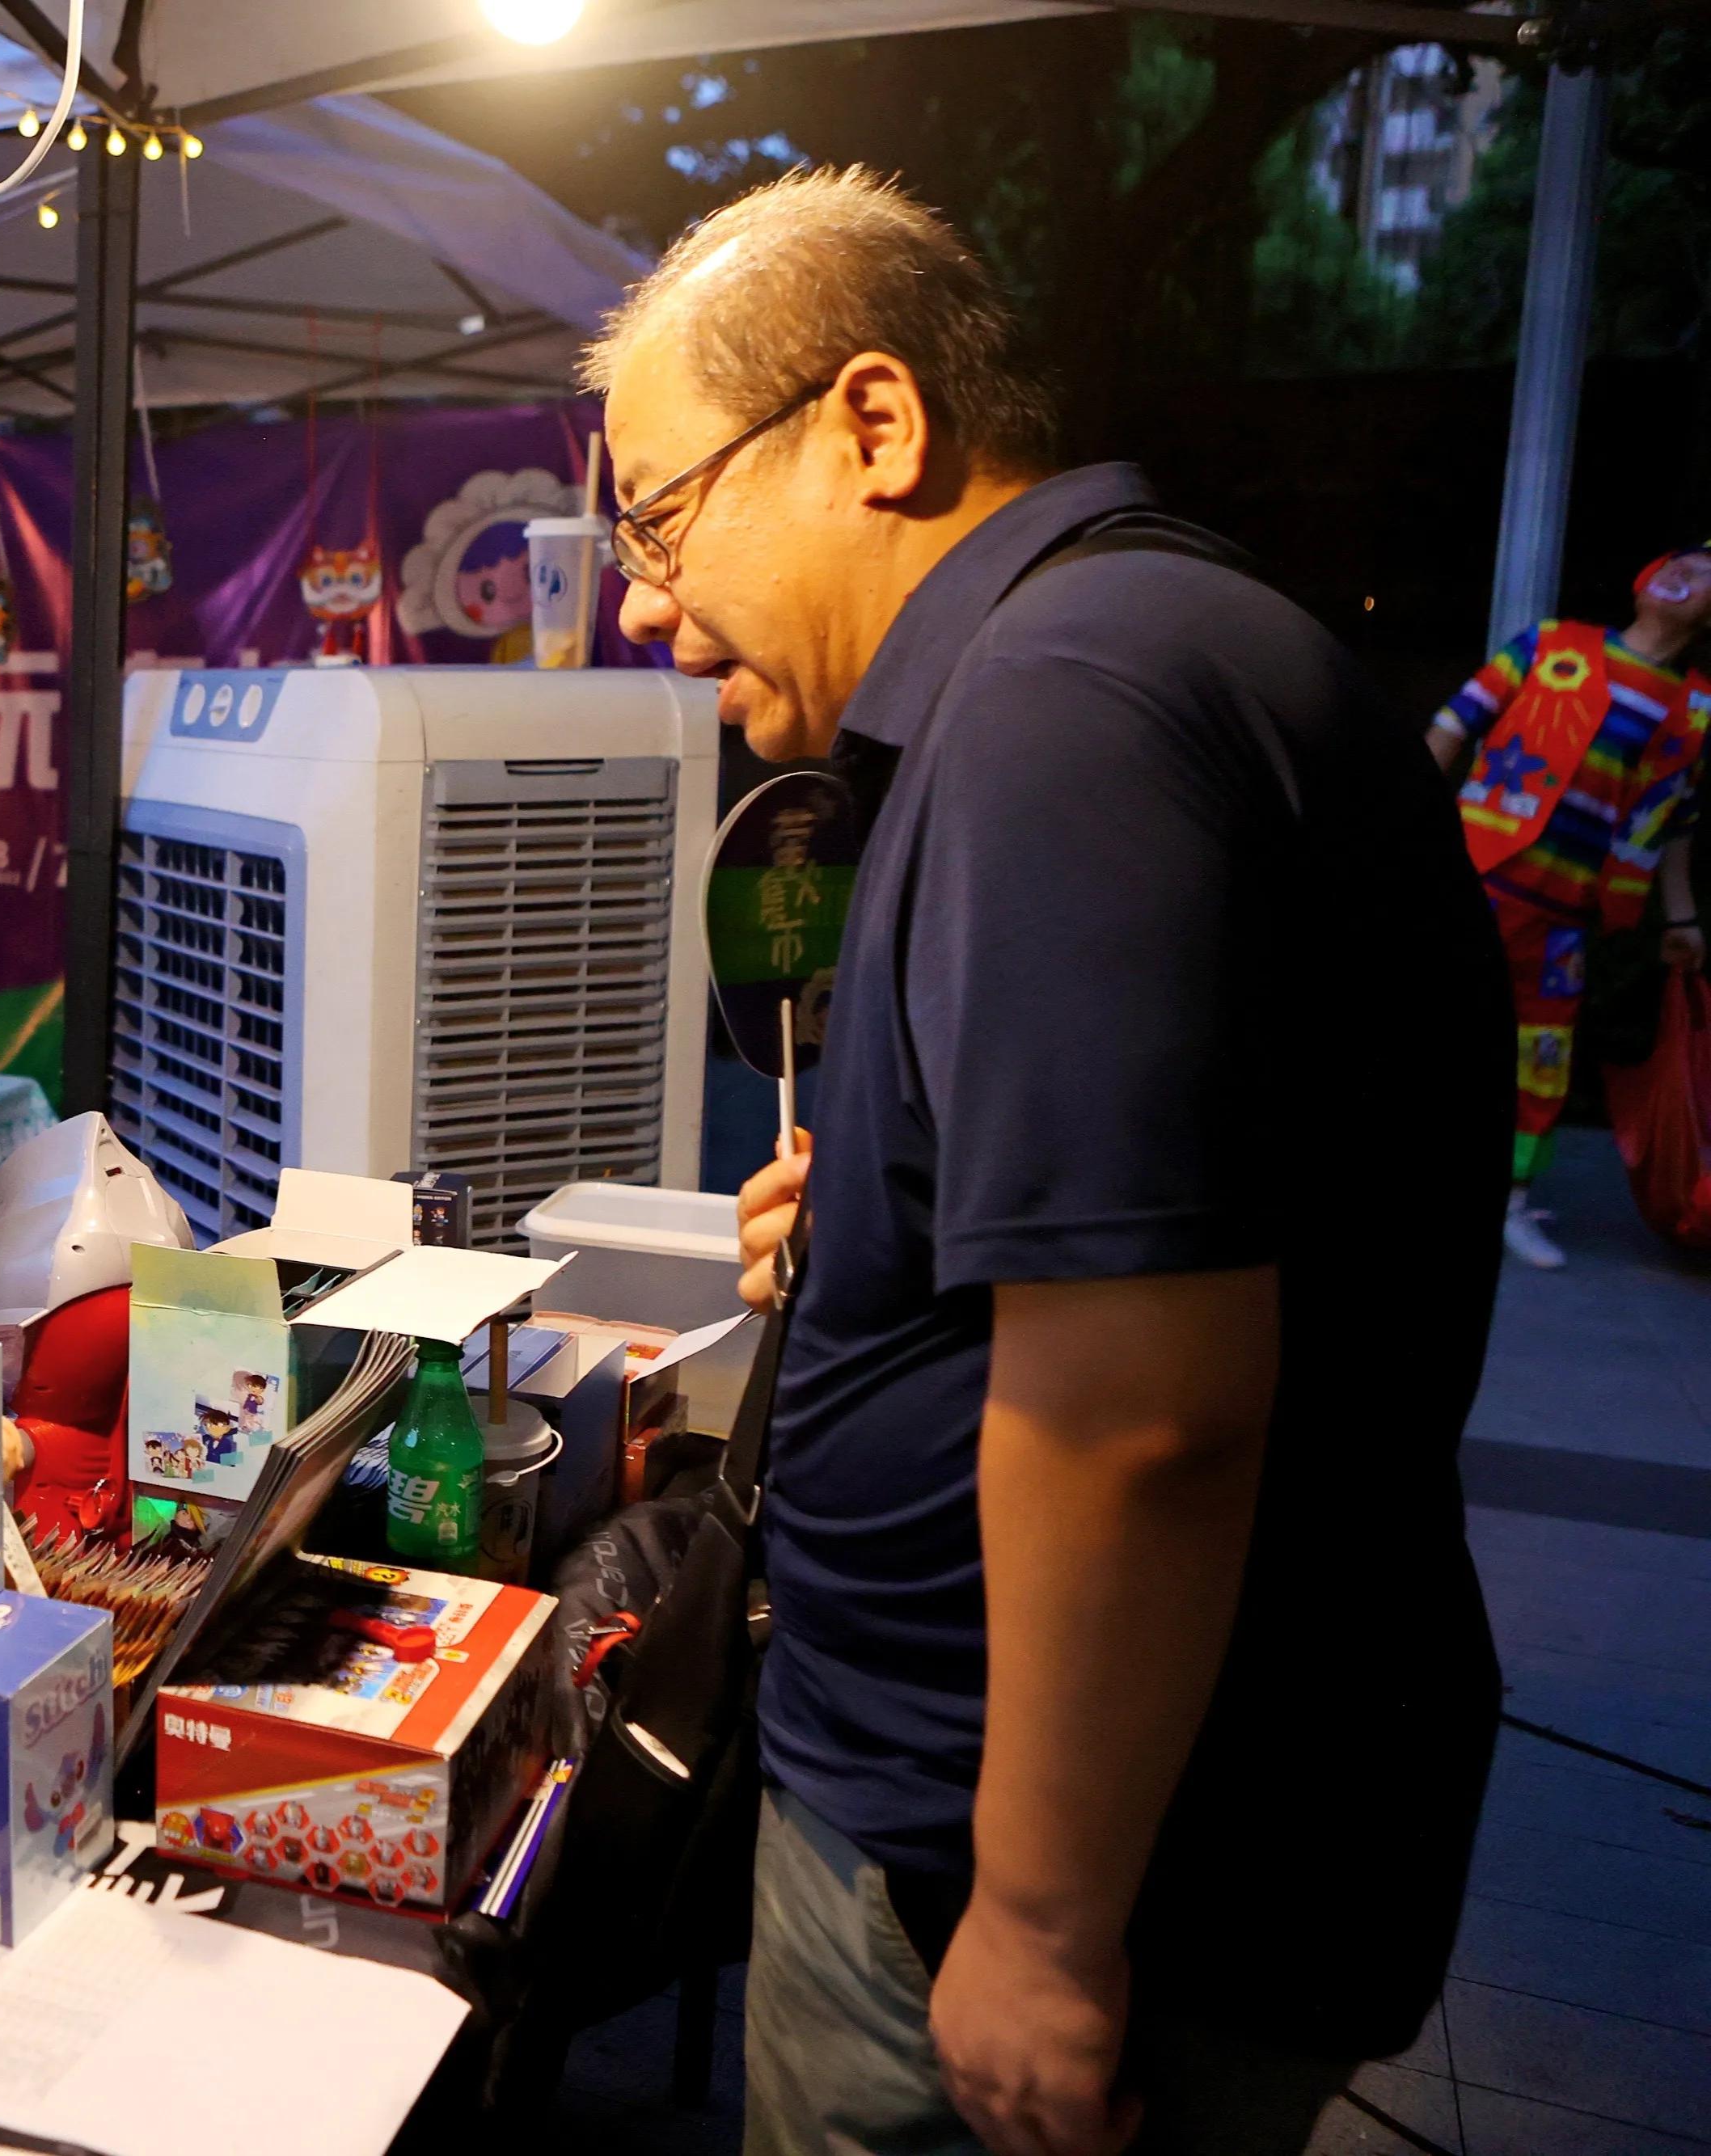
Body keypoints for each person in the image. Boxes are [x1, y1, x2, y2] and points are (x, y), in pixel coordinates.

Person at [586, 170, 1508, 2154]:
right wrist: (902, 1228)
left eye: (657, 514)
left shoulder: (1061, 710)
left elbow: (1140, 1412)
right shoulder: (1123, 644)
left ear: (874, 426)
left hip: (1039, 1868)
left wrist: (1037, 1915)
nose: (639, 601)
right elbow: (1174, 1208)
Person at [1425, 546, 1711, 1268]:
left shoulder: (1700, 708)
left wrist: (1680, 919)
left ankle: (1508, 1200)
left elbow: (1677, 823)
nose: (1687, 574)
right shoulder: (1549, 644)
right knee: (1420, 1021)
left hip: (1570, 916)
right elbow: (1453, 726)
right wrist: (1406, 829)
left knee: (1539, 1057)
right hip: (1475, 876)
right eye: (1684, 561)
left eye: (1708, 577)